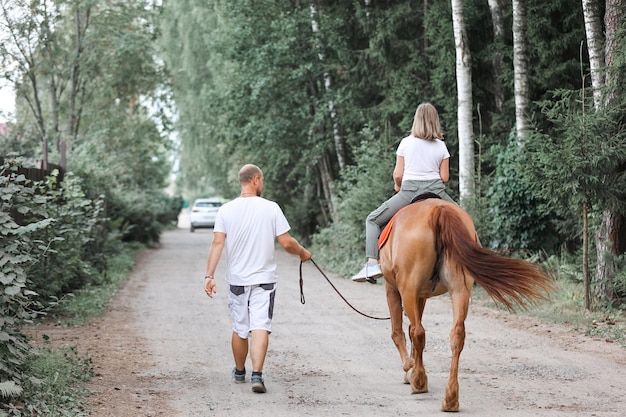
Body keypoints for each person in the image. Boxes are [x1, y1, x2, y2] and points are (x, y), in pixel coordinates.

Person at [203, 164, 311, 394]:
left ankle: (240, 371)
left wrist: (209, 275)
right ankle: (257, 375)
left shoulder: (226, 210)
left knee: (241, 328)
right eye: (262, 180)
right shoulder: (271, 208)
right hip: (264, 279)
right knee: (261, 324)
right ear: (256, 180)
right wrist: (303, 253)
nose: (262, 183)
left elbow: (217, 243)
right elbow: (287, 242)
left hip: (237, 280)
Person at [351, 102, 456, 283]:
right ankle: (477, 262)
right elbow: (444, 177)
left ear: (416, 120)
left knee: (373, 219)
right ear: (435, 121)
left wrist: (397, 186)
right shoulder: (441, 146)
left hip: (410, 192)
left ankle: (372, 264)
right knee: (465, 220)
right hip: (437, 191)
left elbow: (398, 174)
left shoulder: (406, 143)